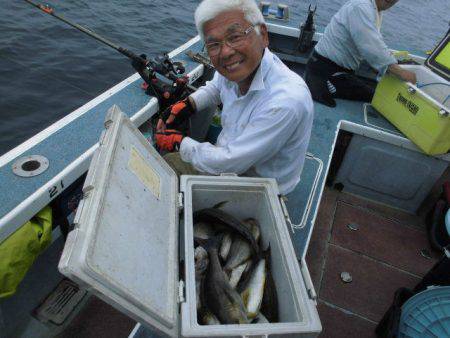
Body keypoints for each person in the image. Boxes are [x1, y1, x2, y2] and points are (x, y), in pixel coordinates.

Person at [154, 0, 314, 195]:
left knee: (164, 169)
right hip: (231, 160)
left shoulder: (286, 101)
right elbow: (215, 87)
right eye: (213, 44)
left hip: (259, 187)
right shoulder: (237, 69)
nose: (226, 52)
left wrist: (179, 142)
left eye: (235, 36)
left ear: (263, 35)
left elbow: (229, 163)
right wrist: (188, 104)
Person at [304, 0, 417, 108]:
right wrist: (401, 72)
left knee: (374, 90)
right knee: (378, 98)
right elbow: (372, 47)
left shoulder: (374, 9)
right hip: (325, 71)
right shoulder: (361, 6)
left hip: (338, 70)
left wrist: (392, 63)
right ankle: (322, 84)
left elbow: (372, 43)